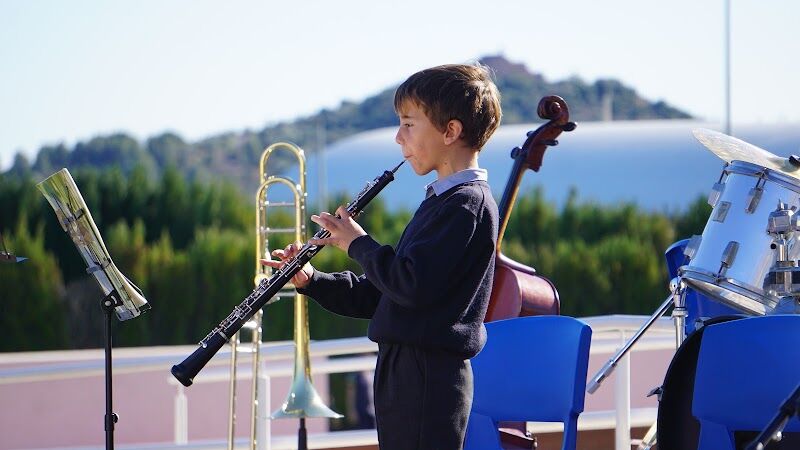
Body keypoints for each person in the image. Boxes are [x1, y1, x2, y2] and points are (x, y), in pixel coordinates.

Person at [263, 63, 501, 449]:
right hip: (406, 370)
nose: (398, 136)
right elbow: (383, 293)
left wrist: (358, 243)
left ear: (450, 131)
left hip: (429, 376)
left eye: (408, 124)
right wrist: (312, 281)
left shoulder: (465, 205)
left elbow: (410, 285)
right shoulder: (441, 202)